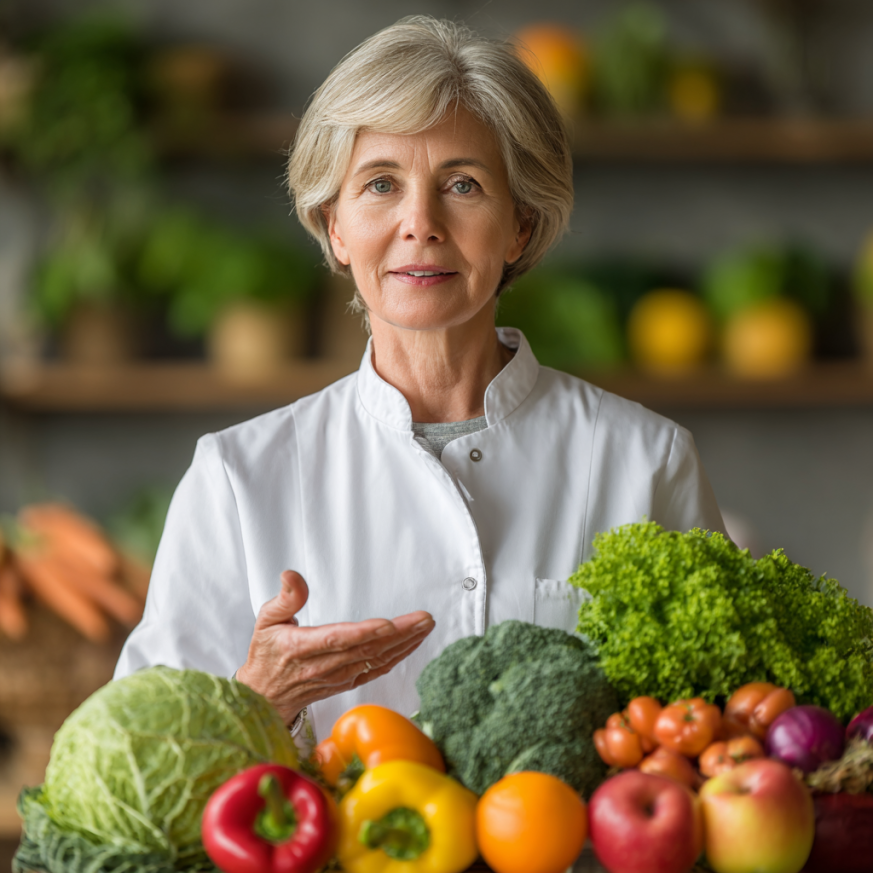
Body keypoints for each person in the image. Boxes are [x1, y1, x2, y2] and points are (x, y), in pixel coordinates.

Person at [114, 16, 725, 743]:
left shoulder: (646, 460)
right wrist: (258, 700)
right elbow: (139, 754)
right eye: (380, 184)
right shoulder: (237, 476)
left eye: (462, 184)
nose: (419, 223)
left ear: (520, 225)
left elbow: (716, 735)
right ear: (335, 226)